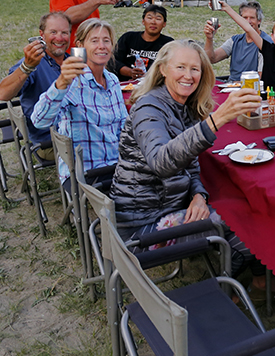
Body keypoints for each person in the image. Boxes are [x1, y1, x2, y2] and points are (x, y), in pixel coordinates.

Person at [110, 41, 266, 284]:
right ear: (162, 69)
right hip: (142, 225)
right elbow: (161, 161)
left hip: (169, 206)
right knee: (247, 224)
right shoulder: (148, 107)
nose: (188, 75)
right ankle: (225, 287)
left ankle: (254, 280)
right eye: (180, 67)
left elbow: (190, 164)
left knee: (242, 208)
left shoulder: (183, 107)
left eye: (195, 69)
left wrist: (198, 196)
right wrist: (219, 117)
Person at [30, 18, 127, 189]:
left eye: (106, 41)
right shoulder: (72, 81)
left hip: (117, 167)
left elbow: (123, 128)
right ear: (80, 45)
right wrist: (60, 83)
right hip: (85, 174)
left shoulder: (112, 80)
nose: (102, 46)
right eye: (94, 41)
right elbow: (39, 121)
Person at [0, 12, 71, 160]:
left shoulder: (72, 60)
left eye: (64, 32)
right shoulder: (34, 62)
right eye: (53, 32)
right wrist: (26, 67)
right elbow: (3, 94)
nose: (60, 38)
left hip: (76, 130)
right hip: (50, 141)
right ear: (41, 35)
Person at [218, 1, 275, 103]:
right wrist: (227, 9)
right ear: (272, 36)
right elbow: (248, 29)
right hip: (261, 100)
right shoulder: (268, 49)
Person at [203, 0, 272, 80]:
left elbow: (262, 78)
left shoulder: (265, 43)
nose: (248, 22)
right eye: (245, 18)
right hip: (231, 85)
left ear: (259, 20)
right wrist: (209, 38)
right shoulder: (235, 40)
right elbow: (211, 59)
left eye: (252, 18)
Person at [112, 3, 174, 80]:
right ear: (143, 21)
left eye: (158, 19)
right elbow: (113, 60)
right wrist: (130, 72)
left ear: (164, 24)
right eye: (149, 18)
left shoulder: (168, 44)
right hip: (126, 83)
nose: (153, 22)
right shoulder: (128, 38)